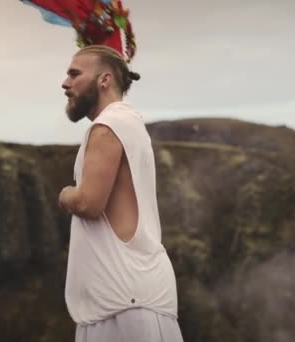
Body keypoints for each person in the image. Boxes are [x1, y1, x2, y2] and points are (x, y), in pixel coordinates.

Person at [58, 44, 184, 342]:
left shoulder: (107, 126)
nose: (65, 83)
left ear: (104, 80)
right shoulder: (129, 122)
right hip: (132, 298)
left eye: (74, 74)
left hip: (124, 303)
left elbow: (88, 202)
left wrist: (65, 194)